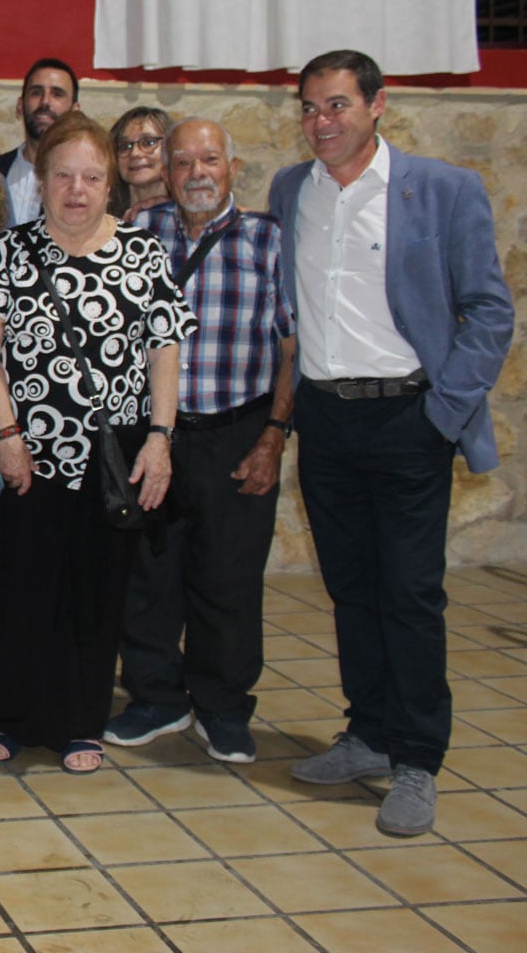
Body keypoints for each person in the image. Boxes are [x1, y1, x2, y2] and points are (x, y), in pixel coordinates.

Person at [271, 50, 513, 838]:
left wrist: (442, 413)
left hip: (409, 418)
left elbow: (488, 309)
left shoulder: (441, 191)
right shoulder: (290, 192)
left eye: (336, 105)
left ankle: (417, 758)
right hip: (328, 420)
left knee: (410, 595)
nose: (321, 122)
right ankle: (367, 732)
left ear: (379, 106)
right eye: (309, 108)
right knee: (352, 589)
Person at [0, 111, 194, 774]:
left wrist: (161, 438)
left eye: (91, 177)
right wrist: (5, 436)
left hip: (113, 454)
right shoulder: (12, 250)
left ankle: (80, 723)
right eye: (63, 175)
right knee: (21, 588)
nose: (77, 189)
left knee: (97, 593)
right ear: (41, 180)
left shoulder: (143, 252)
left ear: (111, 182)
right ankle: (11, 716)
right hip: (30, 452)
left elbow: (165, 351)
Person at [108, 118, 293, 764]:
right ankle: (157, 697)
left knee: (228, 579)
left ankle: (222, 707)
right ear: (167, 171)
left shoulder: (268, 240)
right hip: (157, 434)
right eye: (182, 162)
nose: (196, 173)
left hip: (236, 431)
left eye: (208, 159)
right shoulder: (139, 235)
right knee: (149, 576)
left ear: (231, 167)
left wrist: (273, 435)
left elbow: (291, 348)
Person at [0, 58, 80, 226]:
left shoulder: (85, 181)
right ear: (19, 106)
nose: (45, 102)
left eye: (57, 94)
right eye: (36, 93)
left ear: (75, 112)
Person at [109, 106, 172, 220]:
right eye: (124, 146)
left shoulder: (187, 217)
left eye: (148, 142)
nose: (135, 153)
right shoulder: (103, 218)